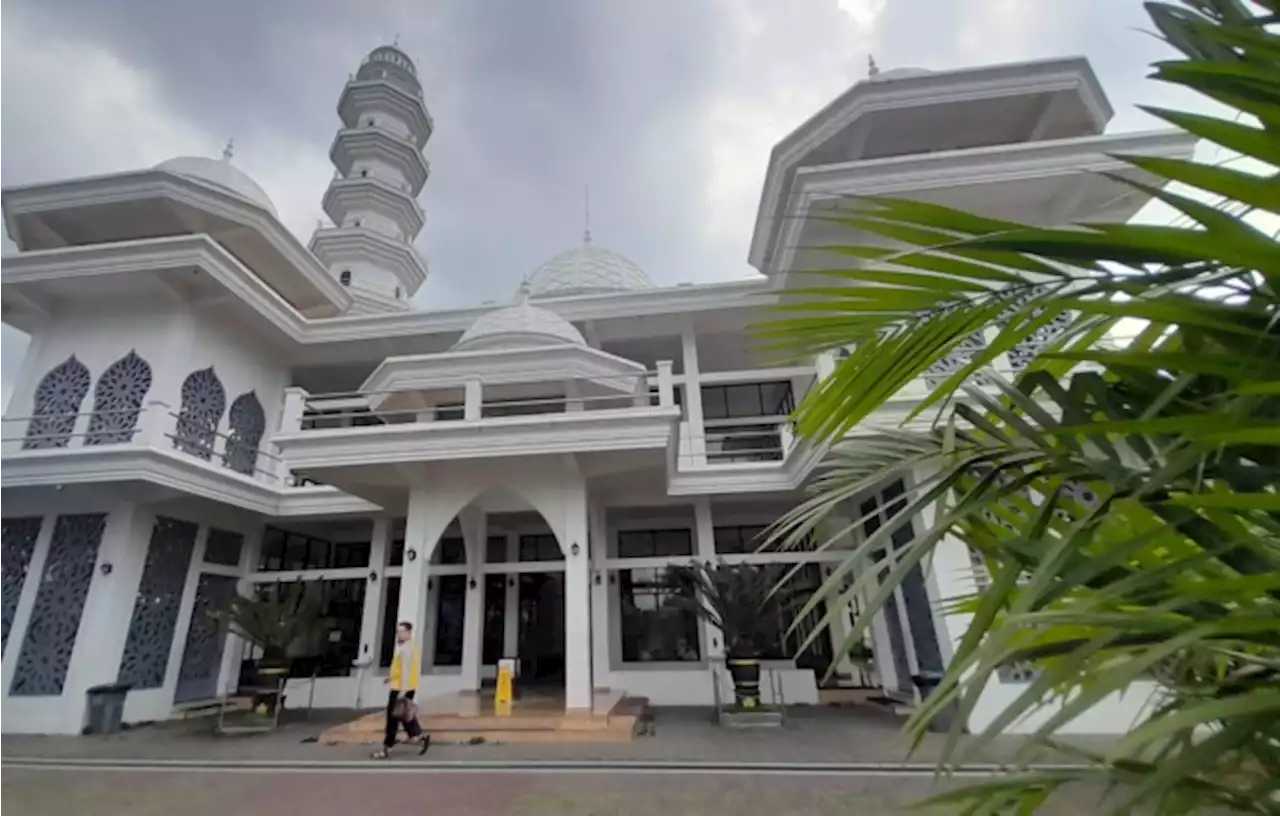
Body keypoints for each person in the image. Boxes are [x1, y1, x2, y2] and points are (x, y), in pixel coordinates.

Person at [372, 621, 428, 759]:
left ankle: (387, 748)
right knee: (403, 715)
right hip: (405, 686)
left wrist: (402, 691)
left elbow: (407, 671)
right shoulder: (409, 647)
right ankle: (418, 736)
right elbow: (402, 670)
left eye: (402, 631)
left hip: (401, 688)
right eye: (398, 631)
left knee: (392, 719)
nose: (400, 634)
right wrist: (391, 677)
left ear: (409, 633)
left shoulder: (406, 649)